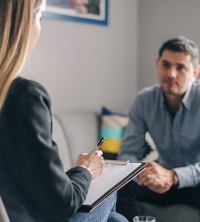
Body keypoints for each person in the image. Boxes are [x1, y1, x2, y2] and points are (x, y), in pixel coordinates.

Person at [0, 1, 128, 222]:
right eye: (40, 18)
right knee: (109, 188)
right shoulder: (23, 97)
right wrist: (85, 170)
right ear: (23, 24)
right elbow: (62, 204)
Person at [116, 36, 200, 222]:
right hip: (161, 182)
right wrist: (145, 175)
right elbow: (128, 154)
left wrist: (175, 176)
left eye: (180, 68)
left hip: (195, 182)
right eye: (166, 65)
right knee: (120, 186)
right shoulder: (144, 100)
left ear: (195, 72)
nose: (171, 74)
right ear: (157, 64)